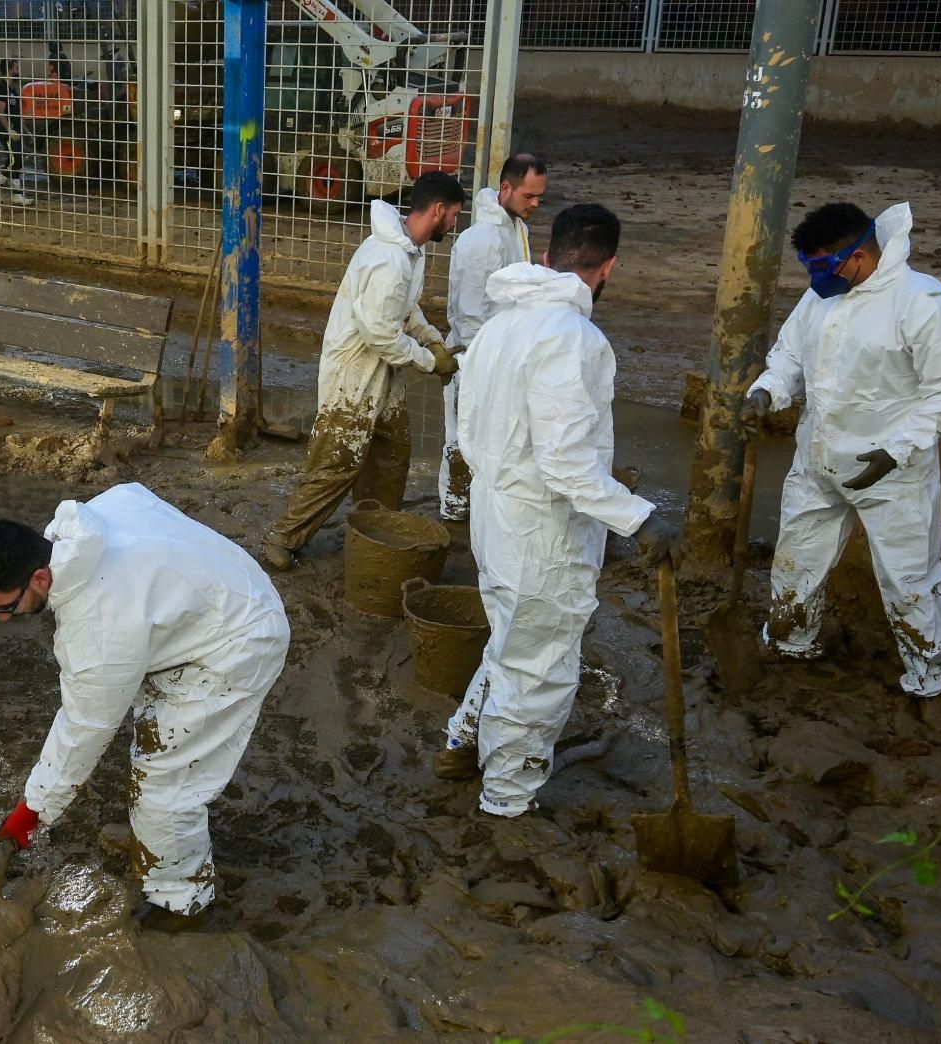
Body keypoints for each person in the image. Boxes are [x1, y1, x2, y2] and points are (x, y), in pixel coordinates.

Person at [438, 204, 685, 817]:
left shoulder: (501, 325)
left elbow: (468, 429)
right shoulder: (575, 341)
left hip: (497, 519)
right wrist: (638, 516)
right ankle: (507, 800)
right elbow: (567, 465)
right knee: (540, 670)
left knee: (509, 641)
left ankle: (461, 739)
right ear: (609, 268)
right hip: (541, 535)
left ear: (547, 257)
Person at [0, 483, 289, 932]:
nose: (2, 619)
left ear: (39, 578)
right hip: (227, 588)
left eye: (7, 607)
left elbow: (85, 729)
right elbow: (136, 495)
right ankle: (158, 842)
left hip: (236, 642)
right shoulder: (91, 518)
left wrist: (33, 810)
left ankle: (183, 902)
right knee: (155, 741)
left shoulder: (97, 630)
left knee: (166, 786)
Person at [740, 202, 941, 699]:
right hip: (819, 459)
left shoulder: (926, 303)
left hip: (892, 473)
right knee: (796, 560)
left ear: (859, 256)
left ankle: (927, 679)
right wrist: (767, 389)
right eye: (809, 267)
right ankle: (790, 642)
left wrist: (897, 450)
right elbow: (789, 355)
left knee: (909, 580)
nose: (814, 277)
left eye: (822, 266)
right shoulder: (821, 298)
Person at [262, 173, 464, 571]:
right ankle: (283, 536)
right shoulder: (388, 259)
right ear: (438, 210)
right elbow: (380, 335)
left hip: (382, 371)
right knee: (337, 462)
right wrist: (429, 360)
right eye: (455, 215)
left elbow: (405, 309)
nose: (454, 225)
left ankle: (374, 528)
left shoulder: (409, 251)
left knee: (391, 453)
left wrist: (432, 338)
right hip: (353, 373)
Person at [439, 154, 547, 522]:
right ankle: (454, 516)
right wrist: (479, 367)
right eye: (529, 196)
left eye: (539, 197)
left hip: (499, 354)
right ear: (506, 188)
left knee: (486, 443)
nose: (535, 204)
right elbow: (469, 314)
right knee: (462, 444)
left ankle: (475, 515)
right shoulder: (482, 240)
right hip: (475, 358)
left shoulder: (517, 229)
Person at [0, 58, 33, 207]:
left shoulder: (12, 88)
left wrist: (25, 130)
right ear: (9, 69)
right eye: (16, 68)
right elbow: (0, 112)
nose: (18, 70)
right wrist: (9, 129)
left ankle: (16, 195)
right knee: (16, 160)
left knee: (16, 161)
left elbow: (16, 112)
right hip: (7, 132)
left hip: (16, 130)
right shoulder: (1, 88)